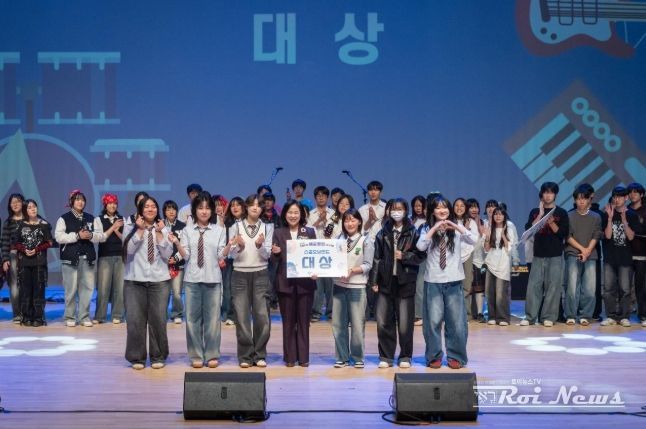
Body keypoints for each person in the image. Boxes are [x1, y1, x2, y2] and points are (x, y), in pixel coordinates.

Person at [170, 191, 229, 368]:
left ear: (212, 210)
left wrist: (229, 245)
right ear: (194, 210)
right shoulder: (187, 230)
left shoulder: (219, 230)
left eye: (207, 208)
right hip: (192, 280)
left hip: (213, 279)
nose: (204, 211)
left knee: (213, 320)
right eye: (200, 208)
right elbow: (186, 255)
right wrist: (177, 243)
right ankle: (196, 354)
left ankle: (211, 354)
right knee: (192, 319)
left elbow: (221, 255)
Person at [417, 195, 476, 369]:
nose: (442, 210)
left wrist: (455, 226)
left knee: (456, 322)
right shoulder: (426, 228)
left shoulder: (456, 228)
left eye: (444, 207)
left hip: (454, 280)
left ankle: (456, 356)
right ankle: (434, 356)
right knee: (433, 321)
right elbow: (420, 246)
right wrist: (435, 227)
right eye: (438, 208)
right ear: (432, 211)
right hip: (433, 281)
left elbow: (473, 240)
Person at [370, 198, 425, 368]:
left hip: (405, 282)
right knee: (384, 322)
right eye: (393, 209)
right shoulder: (382, 233)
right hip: (386, 282)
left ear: (406, 211)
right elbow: (377, 259)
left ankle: (405, 356)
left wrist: (405, 256)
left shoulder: (413, 232)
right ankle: (386, 356)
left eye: (400, 209)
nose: (396, 212)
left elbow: (421, 255)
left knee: (405, 323)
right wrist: (374, 280)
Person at [122, 195, 172, 370]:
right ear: (140, 210)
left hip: (159, 280)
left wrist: (159, 234)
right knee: (135, 321)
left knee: (158, 320)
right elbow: (128, 250)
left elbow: (168, 254)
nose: (150, 209)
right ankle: (137, 357)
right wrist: (140, 230)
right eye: (146, 206)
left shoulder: (163, 228)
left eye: (153, 206)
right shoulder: (130, 226)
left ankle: (158, 356)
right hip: (134, 280)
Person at [228, 194, 274, 368]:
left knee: (262, 316)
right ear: (246, 207)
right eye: (252, 205)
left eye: (259, 205)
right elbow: (231, 255)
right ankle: (245, 356)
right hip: (240, 274)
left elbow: (267, 255)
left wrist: (260, 246)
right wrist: (238, 247)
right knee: (241, 316)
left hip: (261, 273)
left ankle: (260, 354)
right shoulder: (235, 226)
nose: (255, 207)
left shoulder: (267, 227)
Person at [271, 200, 317, 367]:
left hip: (305, 284)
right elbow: (273, 259)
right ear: (284, 214)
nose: (293, 215)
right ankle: (290, 357)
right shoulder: (278, 232)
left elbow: (314, 255)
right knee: (288, 322)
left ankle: (303, 358)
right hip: (285, 283)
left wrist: (315, 271)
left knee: (304, 322)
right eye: (290, 212)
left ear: (301, 214)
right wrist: (276, 253)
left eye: (296, 212)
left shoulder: (309, 232)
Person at [520, 182, 569, 327]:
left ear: (555, 195)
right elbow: (528, 230)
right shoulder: (535, 211)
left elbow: (563, 234)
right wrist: (541, 215)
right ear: (541, 194)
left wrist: (552, 223)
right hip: (538, 254)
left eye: (551, 192)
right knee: (534, 286)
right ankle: (530, 317)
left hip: (555, 254)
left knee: (553, 286)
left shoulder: (561, 212)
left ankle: (548, 317)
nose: (548, 195)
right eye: (546, 192)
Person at [55, 190, 105, 327]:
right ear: (71, 202)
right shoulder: (64, 218)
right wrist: (77, 236)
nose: (80, 202)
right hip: (70, 258)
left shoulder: (91, 218)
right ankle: (69, 316)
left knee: (87, 289)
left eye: (82, 200)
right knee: (70, 290)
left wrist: (91, 236)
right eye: (77, 199)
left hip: (87, 258)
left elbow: (101, 236)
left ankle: (84, 316)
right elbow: (59, 237)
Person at [332, 209, 374, 369]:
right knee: (338, 324)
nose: (349, 223)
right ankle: (341, 357)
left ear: (359, 222)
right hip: (339, 286)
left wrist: (353, 271)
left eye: (353, 220)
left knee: (357, 325)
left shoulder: (365, 240)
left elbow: (368, 265)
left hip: (357, 287)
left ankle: (357, 357)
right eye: (346, 220)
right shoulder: (338, 240)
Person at [600, 186, 640, 327]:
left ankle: (624, 316)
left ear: (626, 198)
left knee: (625, 289)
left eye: (620, 197)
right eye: (615, 197)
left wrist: (624, 221)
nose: (617, 199)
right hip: (610, 257)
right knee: (608, 289)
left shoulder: (632, 215)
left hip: (625, 258)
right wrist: (610, 218)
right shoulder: (606, 214)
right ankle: (610, 316)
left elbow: (631, 237)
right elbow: (607, 236)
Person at [564, 185, 602, 326]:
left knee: (590, 288)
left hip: (591, 255)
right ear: (575, 200)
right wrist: (582, 249)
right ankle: (571, 315)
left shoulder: (596, 217)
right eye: (578, 199)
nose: (581, 201)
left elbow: (596, 235)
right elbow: (568, 236)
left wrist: (587, 250)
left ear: (589, 200)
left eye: (584, 198)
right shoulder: (569, 215)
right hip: (573, 253)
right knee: (572, 286)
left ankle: (585, 315)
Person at [12, 199, 53, 327]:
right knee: (25, 291)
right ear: (25, 210)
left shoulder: (44, 224)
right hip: (24, 263)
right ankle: (27, 317)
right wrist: (24, 249)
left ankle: (38, 317)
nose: (33, 209)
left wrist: (36, 249)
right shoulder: (21, 225)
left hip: (39, 262)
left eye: (34, 206)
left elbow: (49, 242)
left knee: (38, 291)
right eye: (29, 207)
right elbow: (15, 243)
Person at [94, 193, 125, 324]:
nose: (113, 205)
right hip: (105, 256)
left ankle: (117, 315)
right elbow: (100, 238)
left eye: (115, 203)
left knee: (120, 288)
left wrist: (117, 230)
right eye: (110, 203)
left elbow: (125, 239)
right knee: (103, 288)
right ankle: (99, 316)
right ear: (105, 205)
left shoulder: (122, 219)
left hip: (120, 256)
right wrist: (113, 227)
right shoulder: (99, 219)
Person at [483, 207, 517, 326]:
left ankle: (503, 318)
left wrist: (503, 235)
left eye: (500, 214)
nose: (498, 216)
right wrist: (487, 237)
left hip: (503, 264)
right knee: (490, 292)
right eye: (496, 214)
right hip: (491, 263)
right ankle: (491, 316)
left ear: (504, 216)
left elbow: (509, 248)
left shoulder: (509, 229)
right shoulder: (489, 229)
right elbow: (486, 249)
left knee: (501, 293)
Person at [308, 186, 336, 322]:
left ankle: (331, 312)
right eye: (318, 195)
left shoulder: (334, 214)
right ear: (315, 198)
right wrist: (319, 221)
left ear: (327, 198)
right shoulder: (310, 214)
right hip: (315, 252)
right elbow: (307, 231)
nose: (321, 197)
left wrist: (326, 222)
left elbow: (337, 232)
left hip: (330, 252)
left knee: (331, 284)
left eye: (323, 195)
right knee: (317, 285)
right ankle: (316, 312)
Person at [221, 196, 246, 326]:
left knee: (241, 290)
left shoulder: (248, 222)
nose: (235, 207)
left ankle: (239, 315)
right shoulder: (227, 223)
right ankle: (228, 314)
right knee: (228, 289)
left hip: (245, 259)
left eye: (238, 205)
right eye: (232, 205)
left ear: (243, 207)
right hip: (230, 260)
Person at [1, 193, 25, 323]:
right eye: (12, 202)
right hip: (13, 255)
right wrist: (5, 260)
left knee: (27, 284)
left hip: (28, 255)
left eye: (18, 201)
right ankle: (17, 314)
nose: (15, 204)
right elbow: (4, 242)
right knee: (14, 285)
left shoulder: (30, 219)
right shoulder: (8, 222)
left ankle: (27, 312)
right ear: (10, 205)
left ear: (23, 203)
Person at [163, 200, 186, 324]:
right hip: (163, 265)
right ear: (164, 212)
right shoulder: (160, 225)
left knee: (176, 293)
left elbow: (185, 246)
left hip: (178, 265)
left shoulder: (182, 226)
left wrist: (176, 258)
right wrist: (165, 258)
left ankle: (177, 314)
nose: (171, 211)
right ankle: (162, 314)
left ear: (177, 211)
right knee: (164, 293)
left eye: (173, 209)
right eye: (168, 209)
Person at [627, 183, 646, 327]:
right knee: (623, 286)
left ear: (642, 194)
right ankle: (622, 314)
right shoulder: (625, 210)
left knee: (641, 286)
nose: (632, 195)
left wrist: (636, 233)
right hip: (626, 253)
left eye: (635, 192)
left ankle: (643, 314)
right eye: (630, 192)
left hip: (641, 254)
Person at [466, 198, 486, 322]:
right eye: (471, 207)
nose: (474, 209)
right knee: (468, 287)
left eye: (476, 207)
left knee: (479, 287)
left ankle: (479, 313)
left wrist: (481, 229)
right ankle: (467, 313)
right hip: (468, 258)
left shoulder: (482, 222)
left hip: (479, 259)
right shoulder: (465, 222)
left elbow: (484, 240)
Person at [411, 195, 427, 326]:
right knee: (415, 286)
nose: (418, 208)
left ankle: (419, 314)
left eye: (420, 206)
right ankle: (415, 313)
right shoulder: (410, 220)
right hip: (412, 256)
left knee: (421, 286)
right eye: (415, 206)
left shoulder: (428, 222)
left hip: (424, 256)